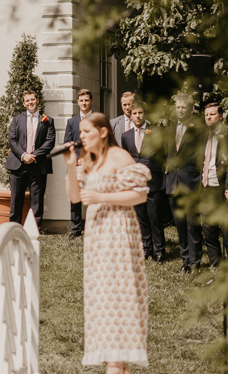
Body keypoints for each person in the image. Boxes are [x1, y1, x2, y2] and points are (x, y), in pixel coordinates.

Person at [63, 113, 150, 373]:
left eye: (86, 132)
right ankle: (116, 362)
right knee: (101, 294)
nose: (81, 137)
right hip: (97, 238)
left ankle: (116, 360)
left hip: (119, 233)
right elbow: (75, 198)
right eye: (80, 133)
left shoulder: (118, 156)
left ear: (102, 132)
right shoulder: (89, 161)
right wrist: (70, 167)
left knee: (118, 293)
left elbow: (140, 195)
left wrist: (101, 196)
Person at [120, 101, 167, 263]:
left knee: (154, 217)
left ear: (144, 114)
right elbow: (126, 158)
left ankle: (160, 251)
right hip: (135, 183)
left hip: (153, 181)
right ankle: (146, 250)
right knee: (142, 218)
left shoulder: (154, 131)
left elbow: (161, 154)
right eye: (134, 114)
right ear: (130, 115)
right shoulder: (126, 136)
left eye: (140, 113)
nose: (137, 116)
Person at [5, 90, 55, 228]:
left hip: (38, 164)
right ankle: (13, 228)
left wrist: (34, 156)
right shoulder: (17, 119)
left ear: (37, 100)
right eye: (27, 100)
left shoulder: (48, 120)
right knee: (16, 199)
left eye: (32, 99)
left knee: (37, 200)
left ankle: (34, 229)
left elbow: (50, 141)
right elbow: (12, 140)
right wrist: (23, 155)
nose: (30, 102)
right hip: (18, 164)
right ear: (23, 103)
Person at [165, 93, 202, 272]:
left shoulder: (198, 129)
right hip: (173, 183)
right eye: (178, 107)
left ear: (190, 109)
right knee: (179, 225)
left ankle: (195, 263)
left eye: (183, 107)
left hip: (191, 183)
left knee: (192, 225)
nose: (180, 110)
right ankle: (185, 261)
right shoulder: (170, 129)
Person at [197, 102, 228, 267]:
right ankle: (216, 271)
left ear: (220, 116)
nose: (208, 117)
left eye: (212, 114)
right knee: (210, 235)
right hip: (206, 191)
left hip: (224, 192)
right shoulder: (202, 137)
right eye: (206, 115)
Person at [63, 88, 93, 239]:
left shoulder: (98, 119)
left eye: (86, 100)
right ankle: (76, 229)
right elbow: (67, 144)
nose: (84, 103)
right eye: (81, 100)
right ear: (77, 102)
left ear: (91, 101)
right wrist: (76, 158)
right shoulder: (71, 122)